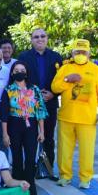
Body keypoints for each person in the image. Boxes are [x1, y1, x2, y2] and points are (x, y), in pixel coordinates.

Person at [51, 39, 98, 189]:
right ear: (72, 53)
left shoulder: (96, 70)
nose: (80, 54)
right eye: (77, 52)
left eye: (83, 52)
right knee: (64, 150)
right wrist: (67, 80)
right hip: (66, 117)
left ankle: (85, 178)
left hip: (87, 119)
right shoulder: (65, 68)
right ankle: (65, 176)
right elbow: (55, 88)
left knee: (87, 151)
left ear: (89, 53)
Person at [0, 61, 47, 195]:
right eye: (16, 70)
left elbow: (40, 111)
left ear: (26, 73)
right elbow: (4, 114)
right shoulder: (8, 90)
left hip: (31, 125)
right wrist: (5, 134)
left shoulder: (35, 89)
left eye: (22, 70)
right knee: (17, 159)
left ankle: (32, 192)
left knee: (31, 159)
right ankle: (18, 191)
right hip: (14, 125)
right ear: (12, 73)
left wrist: (41, 131)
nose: (19, 72)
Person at [18, 28, 63, 177]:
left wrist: (53, 94)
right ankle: (31, 170)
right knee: (31, 137)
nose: (39, 39)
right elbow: (19, 79)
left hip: (50, 103)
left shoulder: (56, 57)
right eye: (36, 37)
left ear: (47, 38)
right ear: (31, 40)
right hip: (29, 104)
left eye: (42, 36)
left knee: (48, 137)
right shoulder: (23, 57)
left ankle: (48, 169)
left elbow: (62, 82)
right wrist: (32, 95)